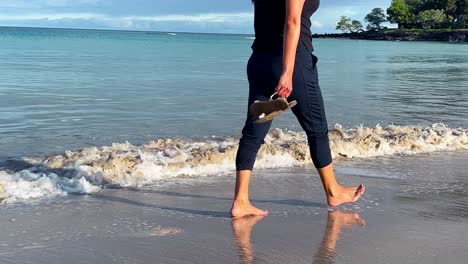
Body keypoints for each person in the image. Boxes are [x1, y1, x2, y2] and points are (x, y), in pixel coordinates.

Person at [230, 0, 365, 218]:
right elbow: (292, 22)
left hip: (259, 60)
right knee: (317, 130)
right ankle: (333, 191)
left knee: (253, 134)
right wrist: (287, 72)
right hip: (292, 62)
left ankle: (240, 201)